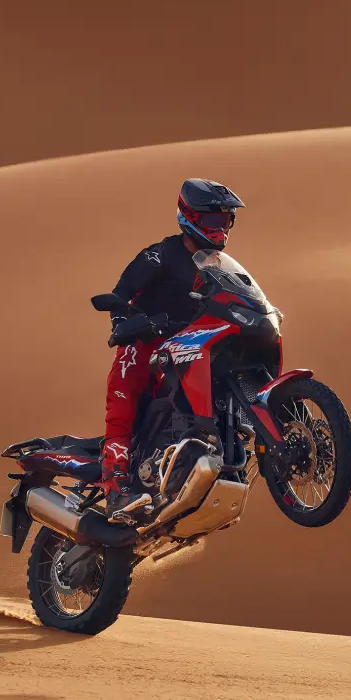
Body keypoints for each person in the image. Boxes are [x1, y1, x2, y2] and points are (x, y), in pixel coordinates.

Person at [101, 178, 245, 520]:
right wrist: (122, 322)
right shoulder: (163, 253)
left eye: (226, 221)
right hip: (143, 347)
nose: (221, 229)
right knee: (120, 413)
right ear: (190, 216)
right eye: (214, 221)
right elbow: (121, 292)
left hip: (185, 351)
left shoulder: (218, 265)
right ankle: (115, 490)